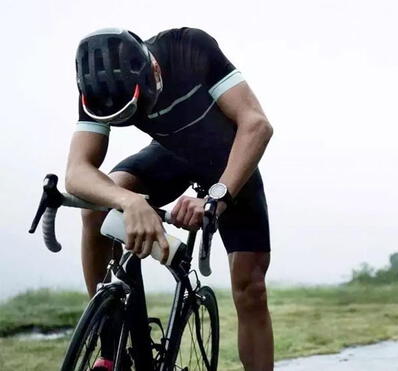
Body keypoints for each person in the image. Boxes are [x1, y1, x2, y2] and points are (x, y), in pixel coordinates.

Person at [67, 27, 274, 371]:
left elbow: (256, 125)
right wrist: (129, 202)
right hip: (169, 156)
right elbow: (77, 171)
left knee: (250, 288)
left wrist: (216, 197)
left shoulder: (188, 49)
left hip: (230, 162)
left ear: (153, 74)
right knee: (97, 209)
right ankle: (111, 344)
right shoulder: (100, 88)